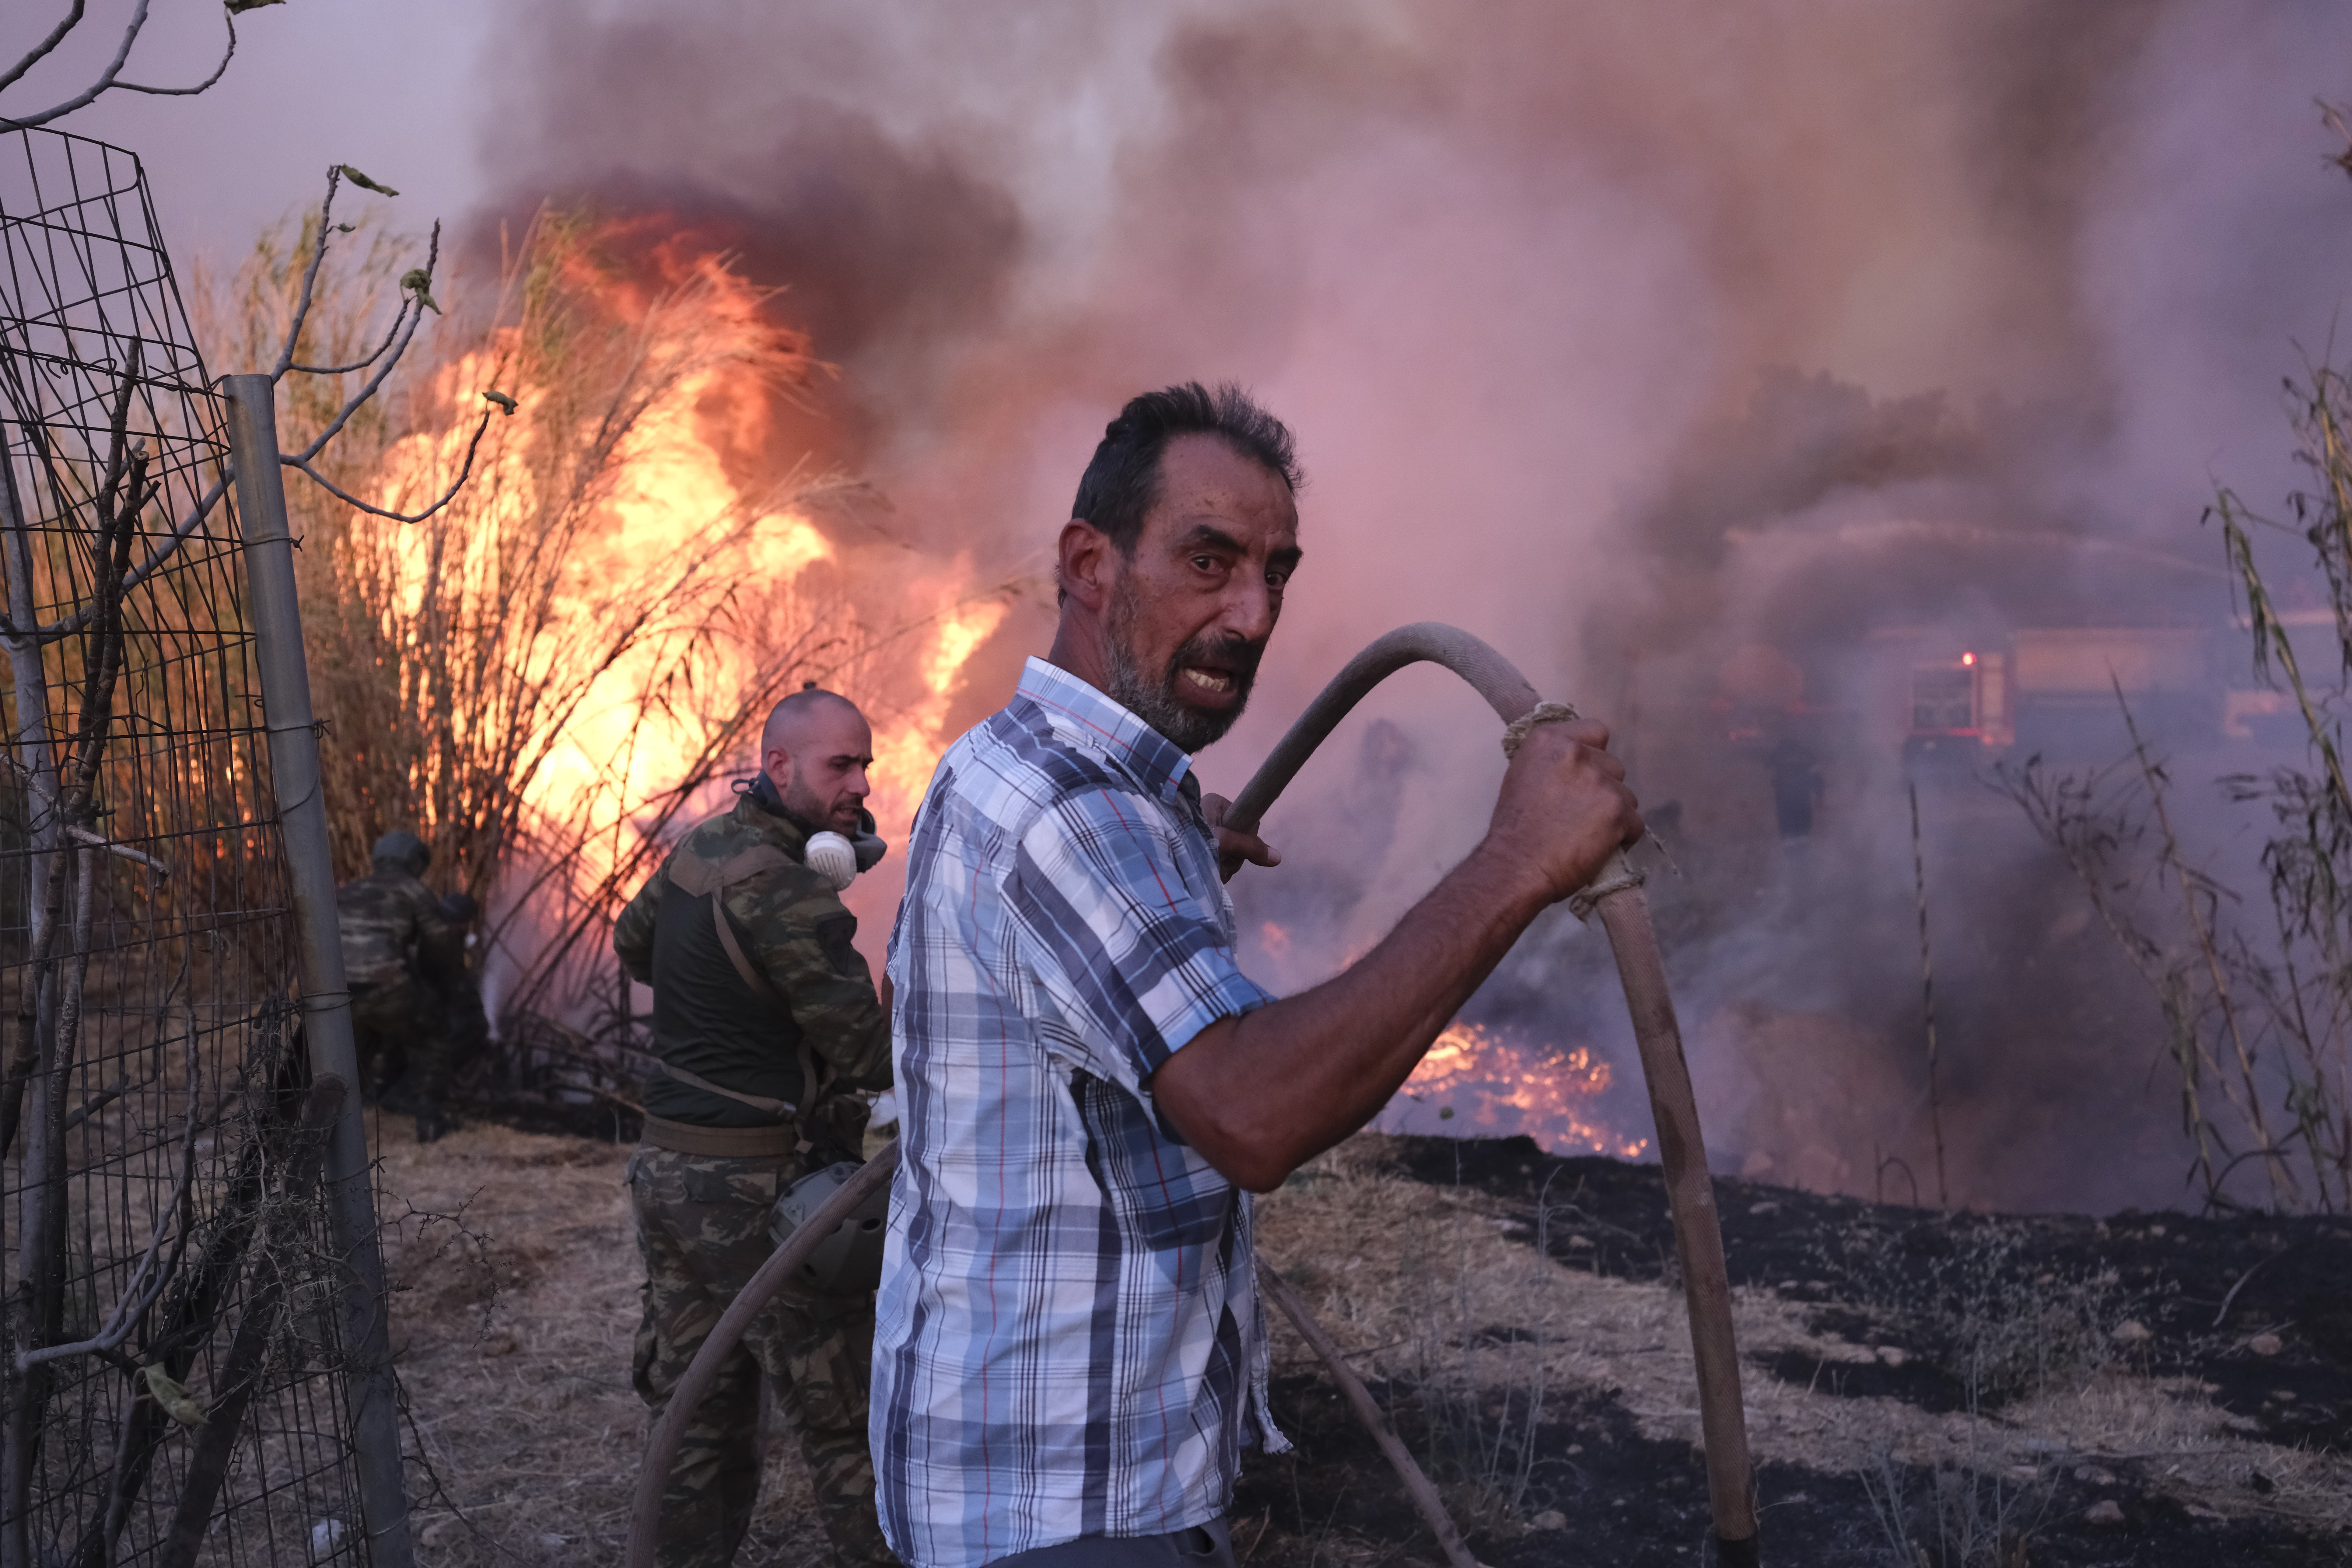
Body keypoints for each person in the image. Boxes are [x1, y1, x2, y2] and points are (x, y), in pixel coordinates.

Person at [873, 383, 1642, 1568]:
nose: (1253, 610)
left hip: (1038, 1476)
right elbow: (1254, 1114)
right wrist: (1518, 862)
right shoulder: (1075, 818)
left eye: (1276, 571)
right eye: (1209, 559)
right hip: (1068, 1514)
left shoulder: (1017, 767)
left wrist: (1172, 855)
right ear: (1090, 562)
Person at [613, 689, 898, 1568]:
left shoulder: (702, 849)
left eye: (865, 765)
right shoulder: (790, 892)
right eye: (839, 766)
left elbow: (633, 945)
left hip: (668, 1176)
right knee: (847, 1422)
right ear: (778, 767)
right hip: (763, 1193)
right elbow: (869, 1052)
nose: (859, 785)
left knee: (700, 1415)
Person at [338, 829, 466, 1143]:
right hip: (389, 990)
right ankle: (430, 1120)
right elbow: (440, 947)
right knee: (433, 1039)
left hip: (339, 995)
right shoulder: (414, 891)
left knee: (349, 1056)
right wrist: (441, 988)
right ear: (415, 861)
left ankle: (338, 1128)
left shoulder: (347, 891)